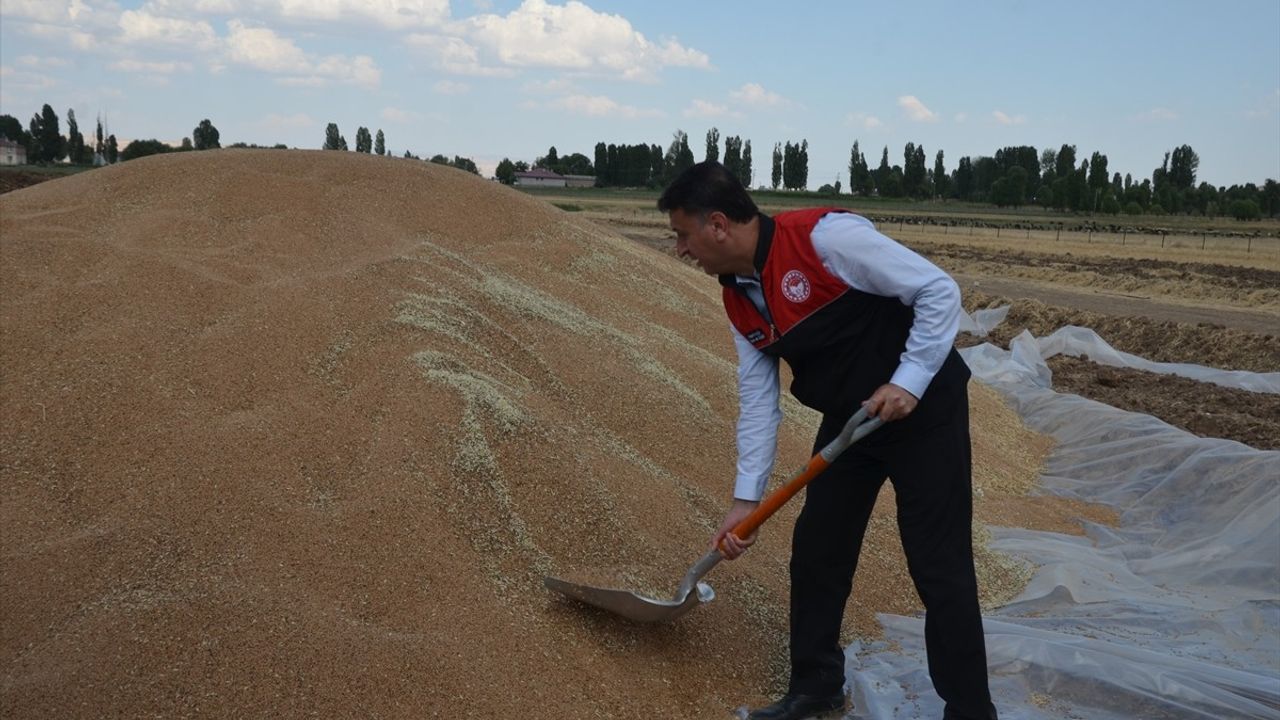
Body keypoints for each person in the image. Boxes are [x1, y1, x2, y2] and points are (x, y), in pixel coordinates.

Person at [658, 162, 998, 720]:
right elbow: (759, 402)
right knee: (819, 549)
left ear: (717, 225)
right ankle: (815, 688)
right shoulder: (739, 298)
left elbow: (939, 290)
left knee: (939, 563)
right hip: (852, 424)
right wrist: (747, 501)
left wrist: (909, 379)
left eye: (682, 235)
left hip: (924, 411)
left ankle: (969, 709)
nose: (681, 249)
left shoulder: (825, 239)